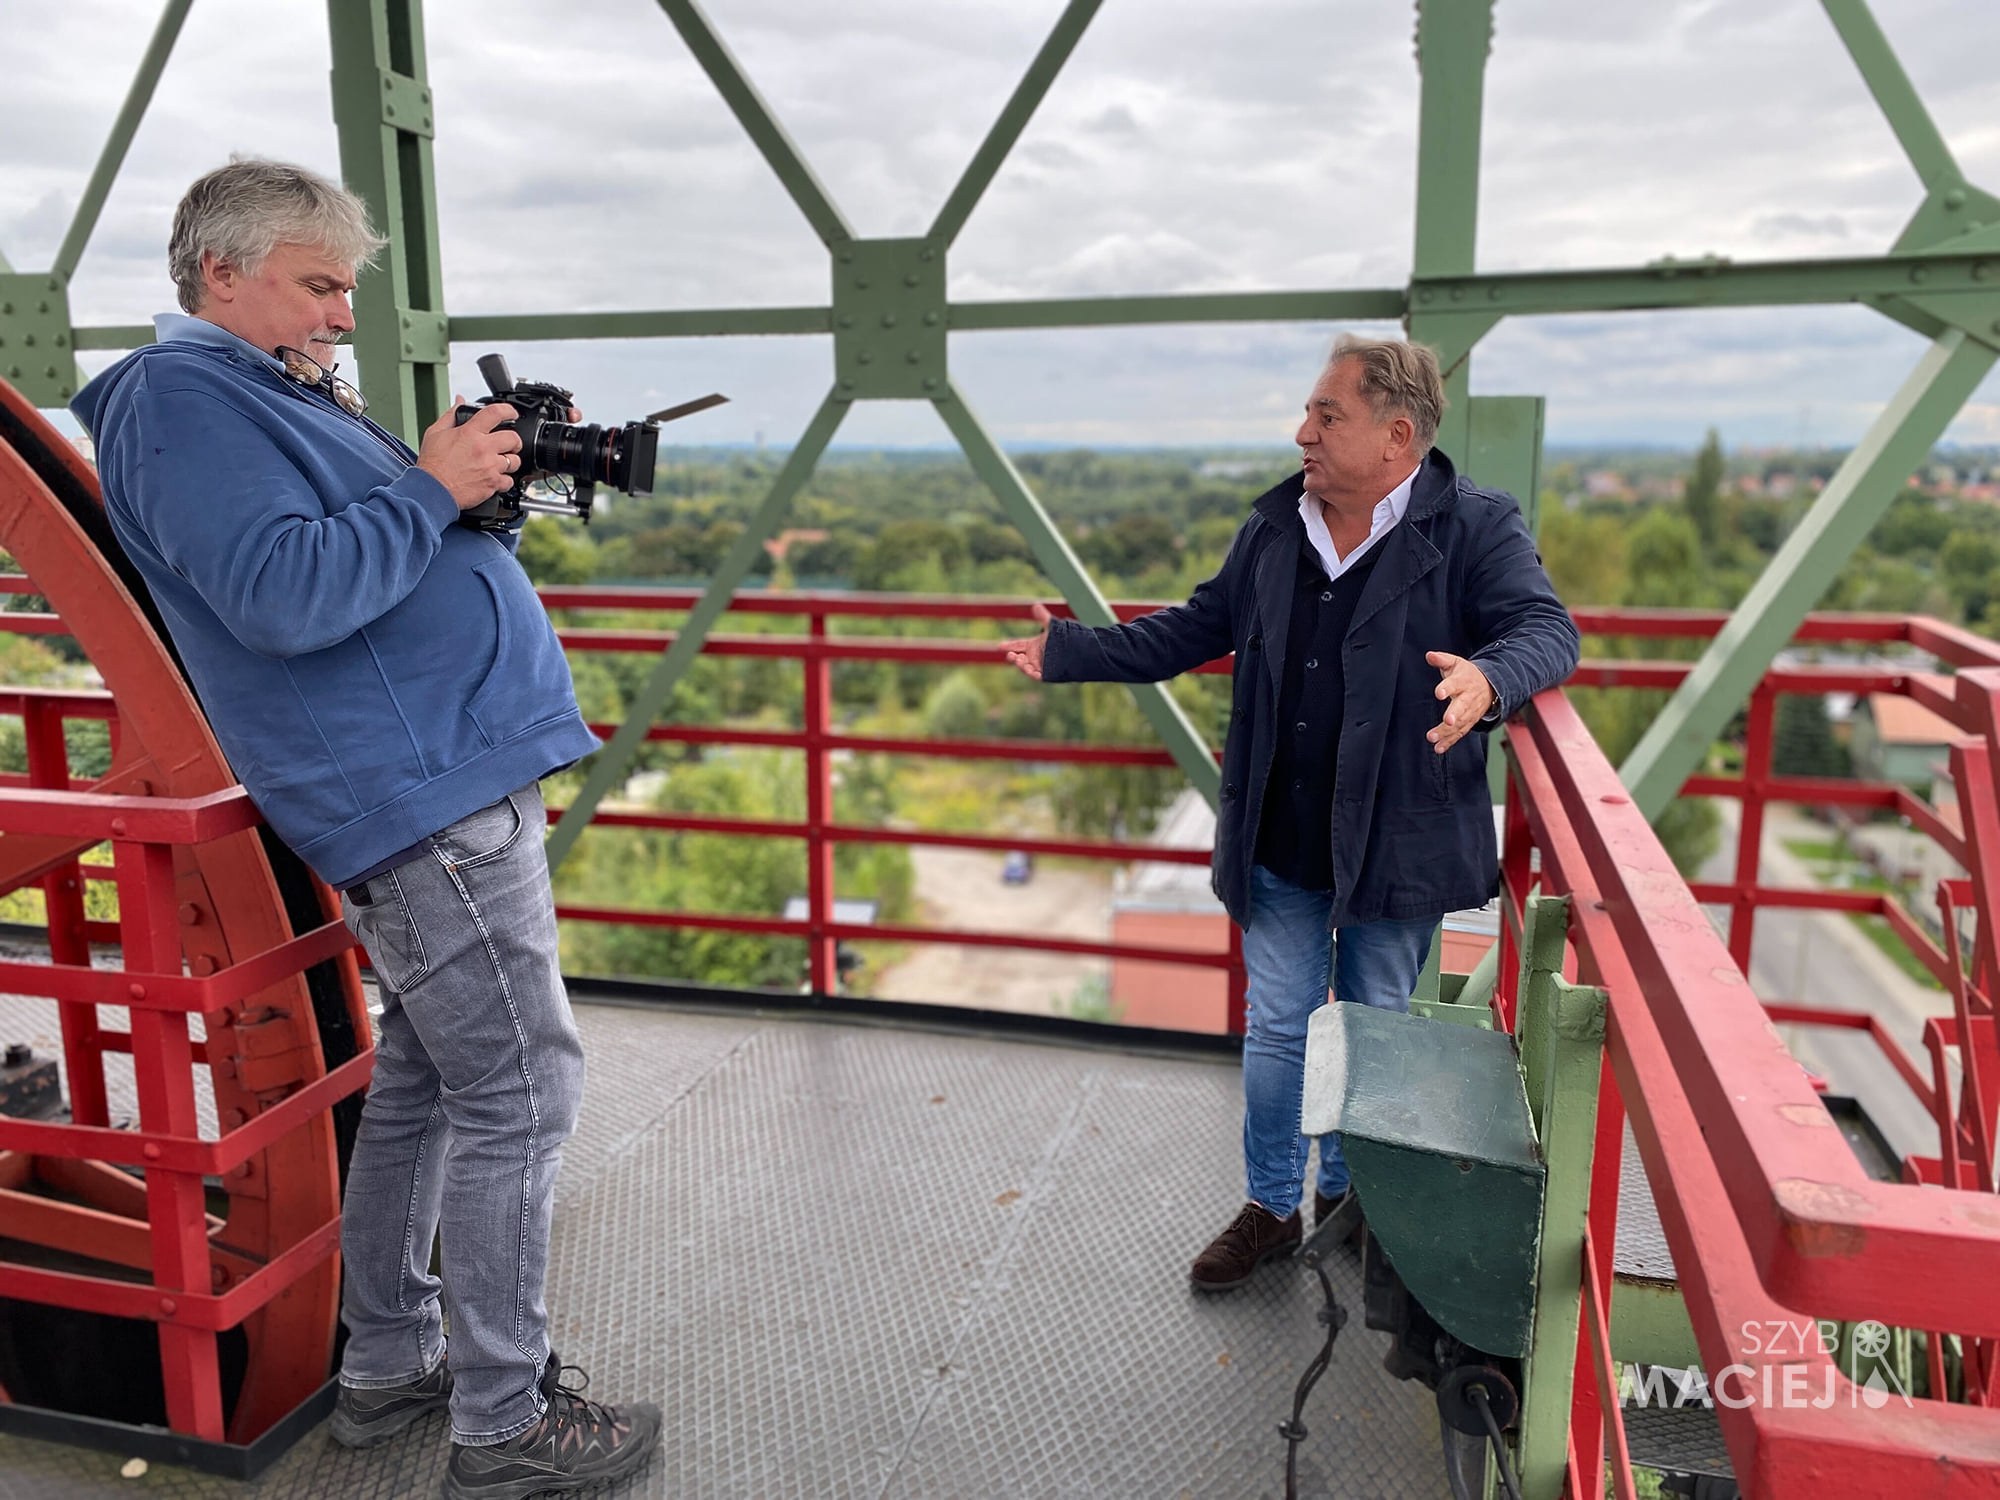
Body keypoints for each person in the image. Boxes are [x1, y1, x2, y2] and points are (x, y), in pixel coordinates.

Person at [71, 158, 663, 1497]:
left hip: (438, 777)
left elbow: (368, 550)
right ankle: (506, 1424)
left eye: (348, 287)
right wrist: (432, 486)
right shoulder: (180, 401)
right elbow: (281, 594)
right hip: (420, 791)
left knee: (432, 1082)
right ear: (221, 273)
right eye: (319, 285)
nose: (343, 314)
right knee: (522, 1089)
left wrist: (470, 491)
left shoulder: (262, 392)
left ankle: (390, 1357)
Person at [1002, 335, 1579, 1293]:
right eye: (1310, 414)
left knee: (1373, 1022)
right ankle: (1273, 1205)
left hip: (1396, 835)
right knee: (1277, 1027)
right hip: (1280, 832)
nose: (1301, 432)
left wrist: (1491, 677)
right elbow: (1196, 626)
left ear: (1397, 436)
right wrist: (1071, 653)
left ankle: (1353, 1201)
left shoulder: (1474, 525)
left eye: (1326, 416)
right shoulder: (1277, 527)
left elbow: (1547, 629)